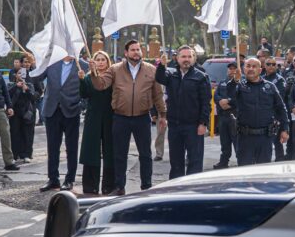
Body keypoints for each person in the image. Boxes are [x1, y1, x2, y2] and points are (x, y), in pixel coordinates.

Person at [90, 40, 165, 195]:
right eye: (132, 49)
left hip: (142, 118)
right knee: (119, 155)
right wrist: (94, 73)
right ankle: (119, 187)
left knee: (145, 154)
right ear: (126, 53)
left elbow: (157, 95)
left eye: (138, 49)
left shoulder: (151, 70)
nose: (136, 52)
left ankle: (146, 186)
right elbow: (100, 85)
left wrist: (162, 115)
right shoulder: (115, 69)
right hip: (120, 118)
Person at [155, 46, 211, 178]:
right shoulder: (171, 74)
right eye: (183, 57)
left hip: (193, 126)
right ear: (177, 58)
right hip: (175, 125)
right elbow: (160, 78)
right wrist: (162, 65)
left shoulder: (201, 77)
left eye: (189, 57)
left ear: (194, 59)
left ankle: (192, 190)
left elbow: (206, 102)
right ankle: (176, 189)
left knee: (195, 160)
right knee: (176, 161)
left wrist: (203, 123)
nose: (186, 60)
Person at [38, 53, 86, 191]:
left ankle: (69, 179)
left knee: (71, 148)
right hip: (52, 110)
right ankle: (53, 179)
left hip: (72, 111)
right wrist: (36, 65)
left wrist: (81, 105)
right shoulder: (51, 62)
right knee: (52, 147)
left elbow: (89, 86)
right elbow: (36, 78)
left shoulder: (83, 65)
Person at [230, 57, 289, 165]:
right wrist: (235, 81)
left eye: (254, 66)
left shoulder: (270, 87)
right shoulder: (239, 86)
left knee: (263, 170)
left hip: (265, 137)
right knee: (245, 171)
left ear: (260, 70)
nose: (251, 69)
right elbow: (229, 94)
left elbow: (281, 108)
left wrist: (285, 129)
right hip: (245, 137)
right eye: (248, 66)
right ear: (243, 69)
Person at [79, 51, 116, 196]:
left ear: (108, 62)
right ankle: (90, 187)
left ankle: (109, 186)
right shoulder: (88, 77)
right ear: (93, 62)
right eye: (98, 59)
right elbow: (83, 94)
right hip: (93, 118)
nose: (101, 62)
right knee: (91, 151)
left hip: (110, 117)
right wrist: (81, 80)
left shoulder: (113, 77)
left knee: (110, 152)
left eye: (103, 59)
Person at [213, 62, 241, 169]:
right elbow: (216, 96)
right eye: (230, 69)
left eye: (234, 69)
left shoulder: (241, 83)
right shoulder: (222, 82)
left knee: (237, 141)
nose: (232, 70)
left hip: (234, 116)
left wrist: (228, 103)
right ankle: (223, 162)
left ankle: (241, 161)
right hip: (223, 117)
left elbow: (239, 98)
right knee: (224, 142)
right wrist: (220, 102)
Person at [8, 66, 37, 163]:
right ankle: (14, 155)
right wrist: (17, 87)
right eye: (19, 73)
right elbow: (7, 96)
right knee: (15, 133)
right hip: (15, 113)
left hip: (27, 113)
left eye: (23, 73)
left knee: (27, 134)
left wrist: (27, 89)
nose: (21, 75)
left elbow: (33, 97)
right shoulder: (11, 85)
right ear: (15, 75)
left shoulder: (30, 84)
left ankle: (26, 154)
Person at [263, 57, 288, 161]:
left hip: (275, 116)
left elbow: (280, 99)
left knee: (277, 143)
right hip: (263, 115)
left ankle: (280, 161)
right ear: (264, 65)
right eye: (269, 64)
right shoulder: (261, 78)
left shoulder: (279, 80)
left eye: (274, 64)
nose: (271, 66)